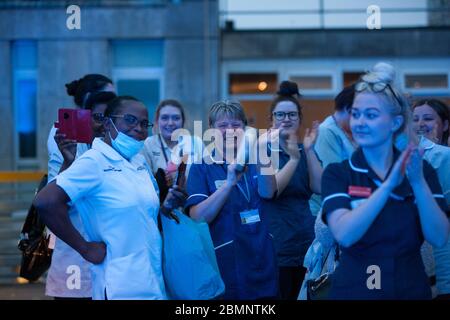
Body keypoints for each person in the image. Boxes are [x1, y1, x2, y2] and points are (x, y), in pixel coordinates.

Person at [35, 96, 186, 300]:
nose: (139, 128)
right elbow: (46, 201)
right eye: (130, 120)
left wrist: (167, 206)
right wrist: (85, 248)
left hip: (150, 280)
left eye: (143, 123)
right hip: (118, 286)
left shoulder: (139, 163)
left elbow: (141, 216)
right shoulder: (94, 161)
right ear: (108, 123)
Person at [321, 63, 449, 299]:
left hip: (409, 287)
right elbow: (345, 234)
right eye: (356, 114)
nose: (359, 122)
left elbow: (439, 236)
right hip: (356, 289)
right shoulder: (339, 173)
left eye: (370, 115)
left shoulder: (420, 169)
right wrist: (389, 185)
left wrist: (418, 182)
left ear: (395, 123)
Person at [184, 100, 278, 300]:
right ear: (211, 130)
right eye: (222, 126)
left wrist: (260, 152)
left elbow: (269, 192)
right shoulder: (202, 166)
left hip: (263, 255)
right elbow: (198, 217)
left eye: (236, 125)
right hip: (227, 261)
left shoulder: (258, 160)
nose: (230, 131)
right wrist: (228, 184)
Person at [45, 74, 116, 300]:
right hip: (76, 250)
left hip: (111, 253)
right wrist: (68, 160)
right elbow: (55, 198)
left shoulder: (117, 137)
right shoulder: (64, 136)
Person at [259, 81, 322, 300]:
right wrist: (294, 158)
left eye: (292, 115)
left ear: (299, 119)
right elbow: (271, 190)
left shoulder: (305, 151)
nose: (286, 119)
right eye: (280, 115)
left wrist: (309, 150)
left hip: (306, 241)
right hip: (277, 244)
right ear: (271, 119)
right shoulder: (264, 150)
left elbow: (319, 186)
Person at [299, 85, 357, 299]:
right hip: (326, 220)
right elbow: (333, 182)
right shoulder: (328, 132)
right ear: (349, 109)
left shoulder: (349, 133)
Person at [412, 99, 450, 299]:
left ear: (444, 125)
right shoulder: (402, 154)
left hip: (440, 253)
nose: (420, 124)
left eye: (428, 118)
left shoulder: (444, 156)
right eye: (415, 119)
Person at [141, 99, 204, 197]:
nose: (170, 123)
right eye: (165, 118)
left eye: (176, 118)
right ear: (157, 121)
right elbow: (143, 183)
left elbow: (205, 176)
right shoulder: (148, 144)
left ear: (183, 121)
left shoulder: (195, 142)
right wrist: (161, 180)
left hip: (192, 203)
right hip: (162, 205)